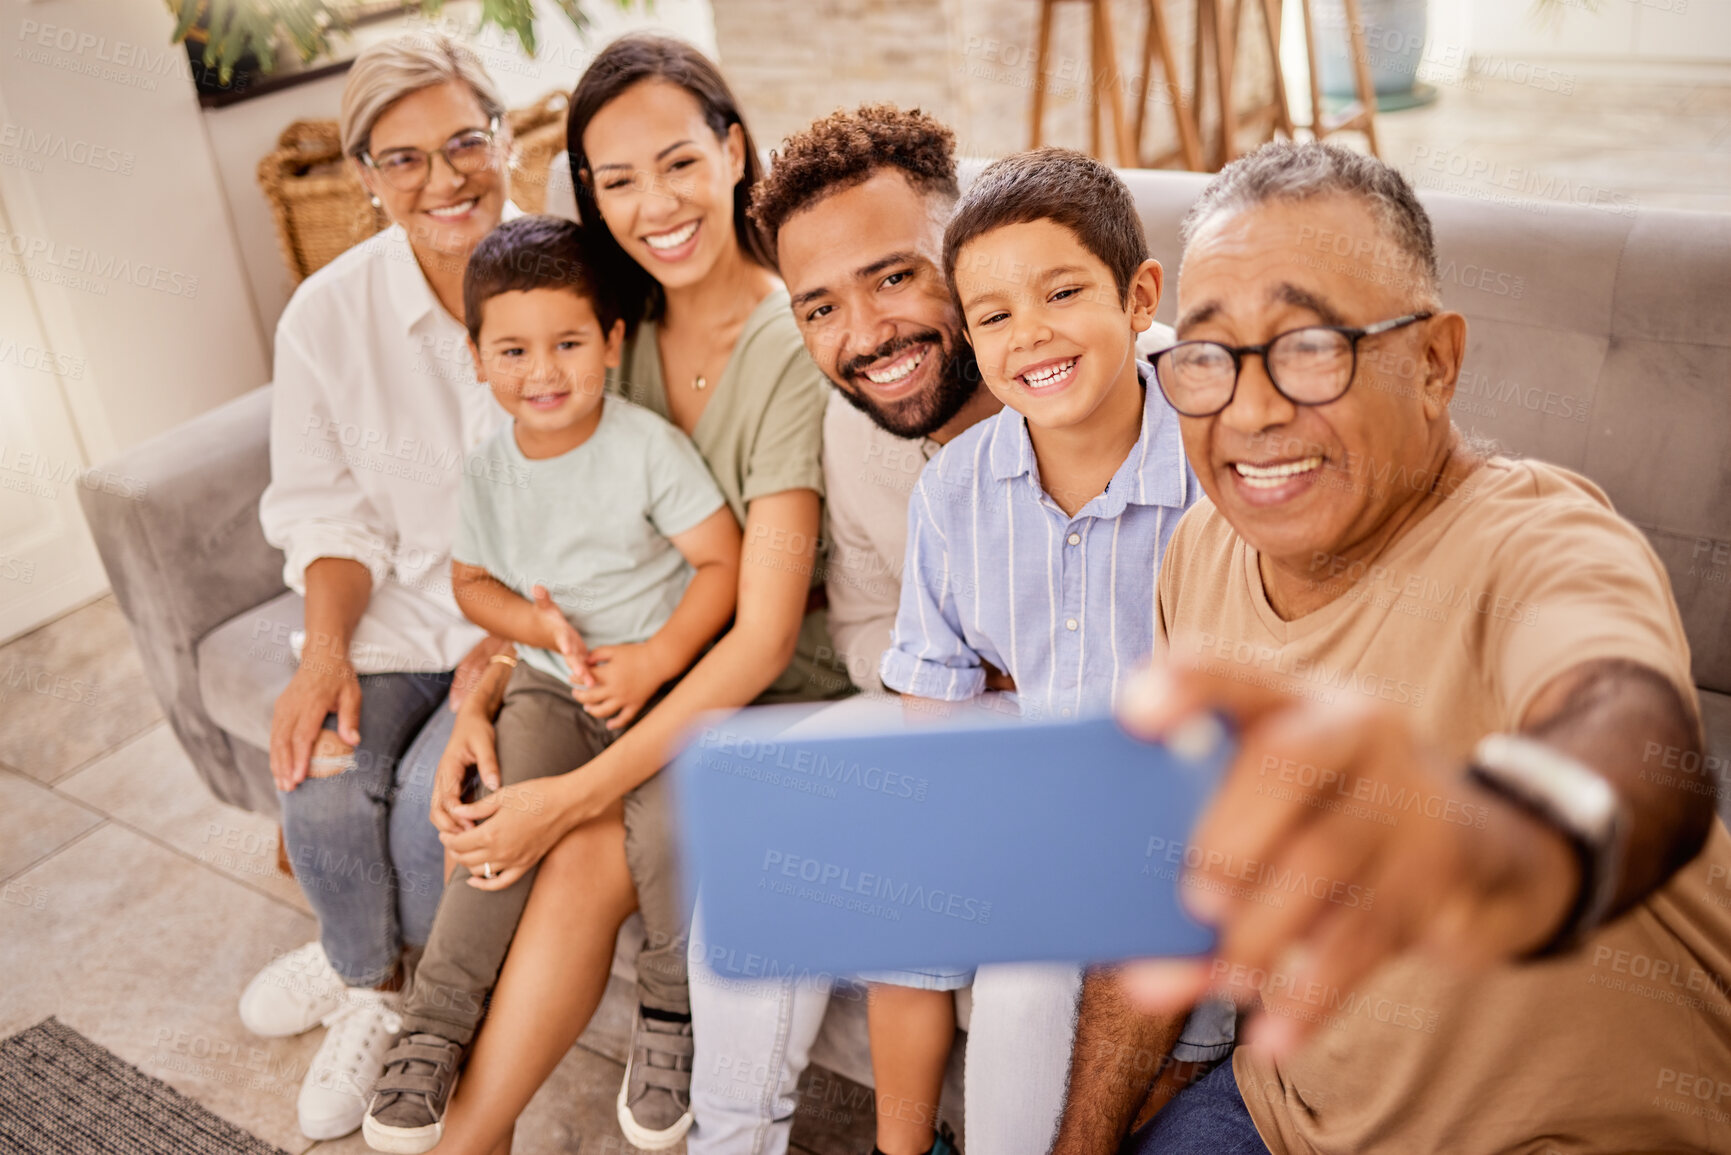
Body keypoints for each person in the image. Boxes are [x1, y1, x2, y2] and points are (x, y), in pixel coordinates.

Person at [1059, 140, 1731, 1154]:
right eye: (1209, 356)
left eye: (1313, 345)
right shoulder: (1201, 549)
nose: (1251, 410)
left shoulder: (1541, 540)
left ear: (1435, 361)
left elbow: (1633, 739)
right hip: (1281, 1114)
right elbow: (1164, 884)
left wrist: (1503, 841)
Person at [685, 110, 1205, 1155]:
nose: (866, 335)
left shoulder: (1159, 394)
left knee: (1026, 958)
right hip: (966, 719)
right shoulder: (864, 427)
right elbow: (887, 635)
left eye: (893, 277)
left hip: (1132, 748)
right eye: (820, 306)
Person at [423, 35, 850, 1154]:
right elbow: (552, 561)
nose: (652, 205)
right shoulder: (610, 333)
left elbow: (759, 642)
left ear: (733, 150)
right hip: (619, 684)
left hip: (765, 694)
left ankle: (469, 1138)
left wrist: (567, 796)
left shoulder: (789, 342)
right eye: (615, 181)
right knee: (521, 815)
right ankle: (462, 1124)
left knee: (574, 848)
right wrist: (485, 693)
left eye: (676, 163)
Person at [357, 214, 742, 1152]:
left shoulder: (644, 446)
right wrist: (536, 627)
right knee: (496, 832)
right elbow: (471, 583)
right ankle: (435, 1027)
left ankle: (670, 1017)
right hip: (545, 691)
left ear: (610, 343)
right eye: (515, 350)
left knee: (664, 833)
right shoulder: (490, 471)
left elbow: (722, 562)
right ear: (477, 357)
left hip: (657, 692)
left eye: (568, 343)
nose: (544, 371)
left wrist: (653, 658)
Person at [245, 31, 518, 1142]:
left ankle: (393, 997)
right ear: (363, 174)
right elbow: (327, 511)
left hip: (528, 623)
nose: (442, 179)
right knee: (317, 778)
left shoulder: (573, 280)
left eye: (464, 142)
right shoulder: (326, 314)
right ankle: (365, 981)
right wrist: (322, 656)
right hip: (398, 614)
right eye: (401, 159)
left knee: (426, 809)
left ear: (504, 137)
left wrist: (514, 644)